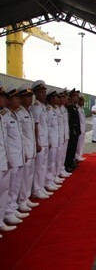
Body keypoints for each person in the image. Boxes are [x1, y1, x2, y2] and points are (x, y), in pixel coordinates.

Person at [2, 85, 28, 225]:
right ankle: (7, 212)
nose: (18, 100)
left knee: (14, 184)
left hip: (16, 154)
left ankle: (11, 208)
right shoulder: (4, 116)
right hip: (9, 157)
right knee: (8, 186)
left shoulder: (14, 114)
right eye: (16, 97)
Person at [16, 84, 39, 213]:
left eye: (31, 96)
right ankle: (20, 201)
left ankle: (25, 198)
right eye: (26, 97)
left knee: (29, 175)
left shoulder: (28, 112)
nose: (30, 99)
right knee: (22, 177)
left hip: (31, 148)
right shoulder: (19, 113)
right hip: (23, 150)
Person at [30, 80, 52, 199]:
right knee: (38, 167)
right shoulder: (36, 108)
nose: (44, 94)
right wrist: (37, 142)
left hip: (44, 140)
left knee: (43, 165)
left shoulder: (42, 107)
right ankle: (36, 189)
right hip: (40, 141)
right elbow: (36, 126)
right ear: (36, 94)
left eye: (44, 92)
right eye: (42, 92)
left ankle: (41, 186)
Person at [0, 82, 17, 235]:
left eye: (5, 97)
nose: (4, 100)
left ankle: (1, 219)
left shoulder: (2, 115)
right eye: (2, 97)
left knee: (4, 189)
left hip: (3, 159)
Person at [75, 94, 87, 162]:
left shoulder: (81, 109)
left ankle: (80, 155)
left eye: (83, 101)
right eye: (81, 100)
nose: (83, 102)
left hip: (83, 128)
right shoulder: (77, 109)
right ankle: (77, 156)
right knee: (78, 144)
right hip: (79, 129)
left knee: (81, 143)